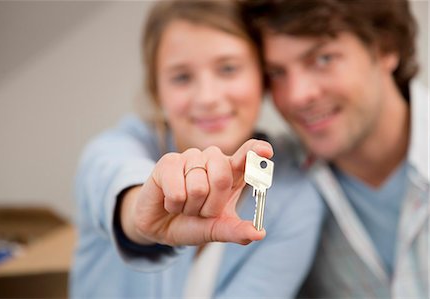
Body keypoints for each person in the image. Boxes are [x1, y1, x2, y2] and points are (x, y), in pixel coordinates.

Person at [70, 1, 324, 298]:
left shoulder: (294, 196)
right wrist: (143, 217)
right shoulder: (115, 148)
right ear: (156, 90)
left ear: (262, 78)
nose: (207, 97)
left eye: (228, 68)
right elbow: (117, 183)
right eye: (181, 77)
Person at [244, 0, 429, 297]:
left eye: (323, 59)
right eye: (277, 73)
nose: (297, 95)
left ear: (385, 48)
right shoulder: (274, 183)